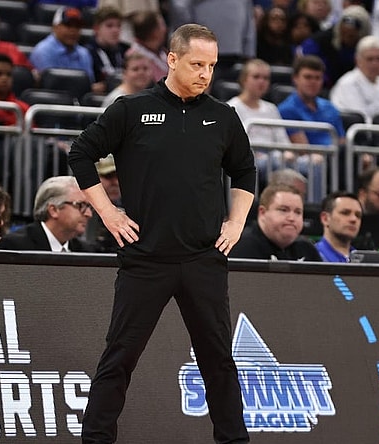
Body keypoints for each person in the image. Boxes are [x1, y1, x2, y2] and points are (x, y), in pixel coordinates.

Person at [67, 24, 255, 444]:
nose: (206, 73)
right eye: (197, 64)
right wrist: (109, 214)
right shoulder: (131, 110)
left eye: (211, 66)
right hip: (145, 258)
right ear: (171, 59)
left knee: (219, 362)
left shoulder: (222, 116)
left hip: (203, 258)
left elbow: (245, 170)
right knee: (119, 358)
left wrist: (237, 221)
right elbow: (80, 153)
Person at [278, 55, 346, 199]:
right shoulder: (287, 109)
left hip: (336, 157)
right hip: (313, 160)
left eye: (317, 78)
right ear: (295, 78)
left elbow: (342, 140)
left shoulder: (330, 107)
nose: (313, 82)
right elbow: (303, 148)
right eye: (308, 77)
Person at [226, 59, 292, 183]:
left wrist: (288, 154)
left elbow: (284, 142)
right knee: (272, 165)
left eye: (266, 78)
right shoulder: (231, 107)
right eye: (256, 77)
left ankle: (315, 203)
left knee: (314, 164)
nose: (261, 82)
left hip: (275, 158)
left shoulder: (271, 108)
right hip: (251, 160)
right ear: (244, 79)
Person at [0, 176, 93, 252]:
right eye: (80, 205)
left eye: (89, 207)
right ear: (54, 210)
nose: (89, 214)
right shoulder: (15, 246)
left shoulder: (85, 251)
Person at [231, 183, 322, 260]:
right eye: (283, 210)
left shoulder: (307, 250)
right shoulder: (241, 248)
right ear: (262, 212)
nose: (291, 218)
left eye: (298, 212)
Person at [329, 35, 379, 121]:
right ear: (358, 60)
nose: (375, 64)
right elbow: (359, 120)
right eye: (370, 59)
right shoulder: (347, 84)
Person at [296, 5, 371, 88]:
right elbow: (306, 68)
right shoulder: (318, 42)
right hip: (322, 88)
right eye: (343, 33)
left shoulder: (368, 49)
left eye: (351, 36)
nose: (345, 38)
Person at [29, 7, 96, 84]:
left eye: (77, 26)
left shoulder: (84, 54)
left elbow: (88, 83)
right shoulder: (42, 51)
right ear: (55, 27)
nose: (73, 30)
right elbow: (51, 84)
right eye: (68, 25)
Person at [84, 6, 130, 94]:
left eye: (118, 26)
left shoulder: (126, 50)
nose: (115, 30)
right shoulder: (87, 53)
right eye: (109, 26)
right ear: (96, 28)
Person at [315, 190, 362, 262]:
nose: (354, 219)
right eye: (345, 213)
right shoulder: (312, 257)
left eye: (358, 215)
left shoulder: (363, 260)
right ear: (325, 219)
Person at [124, 10, 169, 83]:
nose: (165, 29)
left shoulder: (163, 52)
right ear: (154, 32)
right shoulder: (134, 57)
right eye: (162, 25)